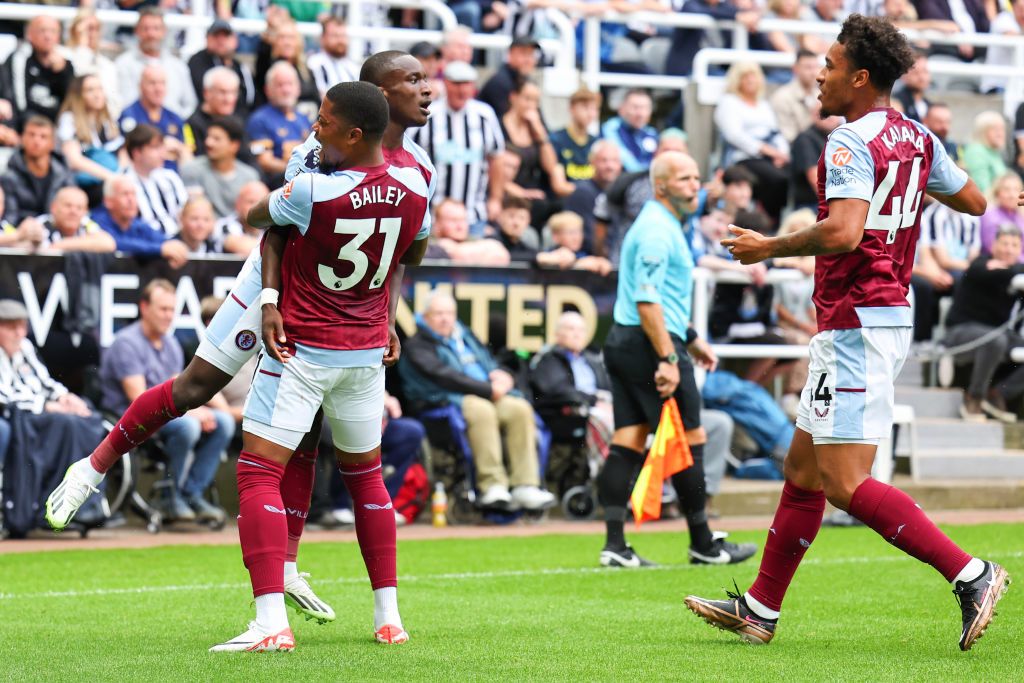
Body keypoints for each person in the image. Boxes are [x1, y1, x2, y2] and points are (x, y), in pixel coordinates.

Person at [47, 49, 436, 635]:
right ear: (378, 93)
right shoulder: (321, 150)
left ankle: (286, 565)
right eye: (412, 80)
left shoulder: (418, 167)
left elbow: (406, 254)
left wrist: (388, 312)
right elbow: (276, 233)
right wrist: (271, 300)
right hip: (274, 288)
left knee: (301, 431)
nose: (426, 90)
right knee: (198, 386)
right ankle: (92, 467)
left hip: (332, 314)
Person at [686, 15, 1005, 652]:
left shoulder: (847, 140)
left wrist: (768, 247)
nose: (818, 76)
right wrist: (907, 195)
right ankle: (760, 608)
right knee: (802, 470)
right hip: (881, 311)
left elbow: (842, 233)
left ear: (860, 78)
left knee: (844, 482)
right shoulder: (915, 135)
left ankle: (971, 574)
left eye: (828, 67)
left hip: (857, 316)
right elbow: (973, 201)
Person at [210, 80, 427, 652]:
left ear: (354, 134)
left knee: (258, 471)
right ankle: (389, 618)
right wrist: (384, 310)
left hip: (303, 350)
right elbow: (412, 251)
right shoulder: (416, 186)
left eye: (326, 122)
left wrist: (293, 187)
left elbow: (260, 216)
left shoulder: (312, 190)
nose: (314, 128)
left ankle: (269, 624)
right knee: (368, 479)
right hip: (365, 356)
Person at [597, 150, 755, 568]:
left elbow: (656, 296)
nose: (694, 185)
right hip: (650, 344)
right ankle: (703, 542)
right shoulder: (655, 230)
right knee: (691, 439)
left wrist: (691, 336)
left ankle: (615, 546)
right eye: (685, 178)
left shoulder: (664, 224)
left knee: (628, 438)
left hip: (628, 339)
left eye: (697, 176)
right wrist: (669, 356)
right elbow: (647, 301)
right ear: (661, 185)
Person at [400, 291, 557, 511]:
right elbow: (446, 376)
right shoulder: (417, 345)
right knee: (481, 409)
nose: (445, 318)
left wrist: (500, 374)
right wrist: (488, 389)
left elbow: (487, 361)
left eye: (449, 313)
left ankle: (525, 485)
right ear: (425, 317)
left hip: (487, 393)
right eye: (438, 313)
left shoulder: (464, 335)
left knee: (519, 409)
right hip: (443, 402)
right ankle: (492, 486)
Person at [97, 279, 234, 523]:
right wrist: (191, 414)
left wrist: (202, 411)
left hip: (166, 416)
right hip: (131, 421)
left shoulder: (171, 344)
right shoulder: (126, 343)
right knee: (188, 425)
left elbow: (179, 387)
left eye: (173, 310)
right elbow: (138, 399)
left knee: (222, 422)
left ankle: (191, 493)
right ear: (144, 307)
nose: (169, 316)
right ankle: (170, 496)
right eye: (163, 309)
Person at [412, 61, 504, 232]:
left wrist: (495, 199)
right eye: (456, 83)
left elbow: (496, 158)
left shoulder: (484, 115)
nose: (462, 90)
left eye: (466, 84)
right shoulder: (428, 115)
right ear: (445, 83)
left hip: (474, 213)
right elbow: (409, 160)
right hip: (432, 214)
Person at [946, 224, 1024, 422]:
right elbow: (996, 274)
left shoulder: (1016, 273)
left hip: (997, 335)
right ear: (993, 245)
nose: (1008, 249)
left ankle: (997, 395)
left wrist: (1012, 270)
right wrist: (1012, 271)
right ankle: (974, 398)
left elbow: (1010, 273)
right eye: (1004, 243)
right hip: (960, 333)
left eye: (1014, 245)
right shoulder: (979, 264)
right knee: (995, 340)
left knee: (998, 339)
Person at [714, 61, 790, 225]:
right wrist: (765, 150)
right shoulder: (729, 102)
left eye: (753, 76)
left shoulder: (763, 104)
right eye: (745, 77)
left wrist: (782, 153)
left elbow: (775, 131)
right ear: (737, 80)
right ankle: (769, 220)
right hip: (743, 156)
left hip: (770, 155)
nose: (750, 80)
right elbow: (733, 135)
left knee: (793, 173)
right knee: (777, 179)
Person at [113, 8, 196, 119]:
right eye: (145, 29)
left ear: (164, 31)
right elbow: (120, 103)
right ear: (136, 31)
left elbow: (190, 104)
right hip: (136, 130)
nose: (151, 34)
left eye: (156, 28)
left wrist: (175, 123)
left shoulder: (178, 66)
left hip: (173, 130)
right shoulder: (122, 64)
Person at [90, 175, 189, 268]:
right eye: (125, 194)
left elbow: (165, 243)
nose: (131, 200)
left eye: (133, 194)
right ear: (108, 201)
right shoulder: (96, 221)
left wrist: (175, 247)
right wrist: (160, 250)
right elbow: (115, 243)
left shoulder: (138, 225)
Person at [56, 74, 124, 207]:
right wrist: (112, 178)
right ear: (78, 96)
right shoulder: (69, 120)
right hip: (85, 184)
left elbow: (123, 151)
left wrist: (120, 174)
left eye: (99, 89)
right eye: (90, 90)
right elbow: (74, 161)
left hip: (111, 178)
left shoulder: (107, 120)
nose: (97, 95)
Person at [180, 116, 261, 219]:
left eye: (216, 139)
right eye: (208, 137)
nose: (209, 143)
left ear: (234, 146)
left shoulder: (250, 177)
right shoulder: (191, 170)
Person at [247, 61, 312, 187]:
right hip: (277, 186)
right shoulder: (259, 120)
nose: (286, 90)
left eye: (290, 84)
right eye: (280, 85)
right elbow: (265, 162)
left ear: (298, 89)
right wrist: (300, 172)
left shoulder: (304, 119)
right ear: (267, 90)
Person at [0, 115, 73, 226]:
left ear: (52, 143)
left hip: (57, 233)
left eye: (43, 137)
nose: (36, 140)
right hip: (22, 235)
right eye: (31, 135)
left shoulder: (63, 173)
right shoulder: (9, 176)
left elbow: (75, 208)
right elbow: (9, 219)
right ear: (22, 138)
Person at [0, 16, 74, 126]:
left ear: (59, 36)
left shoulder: (66, 62)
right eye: (42, 30)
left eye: (53, 31)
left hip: (58, 122)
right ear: (29, 35)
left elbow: (71, 101)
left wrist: (62, 73)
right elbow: (20, 103)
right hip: (27, 119)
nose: (47, 36)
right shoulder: (19, 59)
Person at [118, 65, 190, 171]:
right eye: (152, 83)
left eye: (162, 83)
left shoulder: (175, 117)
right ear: (141, 86)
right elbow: (127, 152)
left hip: (173, 176)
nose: (158, 89)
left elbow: (185, 150)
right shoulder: (129, 115)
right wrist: (166, 146)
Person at [123, 124, 189, 237]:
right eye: (155, 148)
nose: (162, 153)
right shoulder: (123, 183)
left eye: (162, 147)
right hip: (147, 247)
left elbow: (186, 213)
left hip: (180, 243)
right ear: (137, 153)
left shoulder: (170, 177)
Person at [188, 19, 256, 116]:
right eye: (216, 36)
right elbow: (203, 94)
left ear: (234, 40)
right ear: (207, 39)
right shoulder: (198, 62)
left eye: (226, 36)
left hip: (241, 119)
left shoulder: (240, 67)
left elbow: (252, 98)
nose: (221, 40)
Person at [564, 139, 621, 253]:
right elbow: (588, 237)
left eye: (615, 161)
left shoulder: (623, 192)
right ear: (592, 162)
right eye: (604, 161)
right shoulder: (582, 192)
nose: (610, 166)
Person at [65, 9, 120, 117]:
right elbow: (78, 83)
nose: (91, 34)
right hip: (74, 118)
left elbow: (114, 101)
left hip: (103, 121)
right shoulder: (63, 57)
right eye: (86, 29)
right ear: (74, 31)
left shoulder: (108, 65)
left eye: (95, 29)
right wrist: (82, 47)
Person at [429, 198, 510, 265]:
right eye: (453, 220)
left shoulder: (473, 240)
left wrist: (455, 250)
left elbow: (502, 256)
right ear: (437, 224)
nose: (459, 226)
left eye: (463, 220)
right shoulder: (427, 243)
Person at [36, 186, 115, 252]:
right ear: (53, 207)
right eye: (68, 205)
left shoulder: (86, 223)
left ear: (85, 212)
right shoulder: (40, 224)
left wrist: (62, 245)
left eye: (79, 208)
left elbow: (108, 243)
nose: (73, 211)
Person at [478, 36, 539, 119]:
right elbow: (507, 125)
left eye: (531, 54)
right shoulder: (500, 82)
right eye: (524, 54)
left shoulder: (528, 81)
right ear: (510, 54)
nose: (528, 60)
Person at [769, 49, 821, 144]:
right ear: (795, 69)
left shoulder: (821, 95)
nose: (813, 73)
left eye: (816, 67)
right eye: (808, 67)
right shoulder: (782, 97)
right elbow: (789, 137)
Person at [550, 88, 601, 182]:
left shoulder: (597, 142)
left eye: (594, 109)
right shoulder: (556, 139)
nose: (590, 113)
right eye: (585, 107)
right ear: (571, 109)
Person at [600, 89, 658, 174]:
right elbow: (626, 162)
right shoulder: (611, 128)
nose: (640, 113)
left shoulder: (651, 133)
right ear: (622, 109)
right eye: (635, 107)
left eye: (645, 108)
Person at [307, 17, 361, 97]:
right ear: (323, 38)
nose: (340, 40)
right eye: (335, 36)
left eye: (343, 36)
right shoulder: (314, 63)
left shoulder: (353, 67)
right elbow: (320, 94)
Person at [214, 179, 270, 255]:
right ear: (238, 203)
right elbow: (241, 246)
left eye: (261, 203)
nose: (256, 207)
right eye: (251, 202)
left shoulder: (271, 228)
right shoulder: (223, 225)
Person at [962, 112, 1009, 195]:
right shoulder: (976, 151)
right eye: (995, 129)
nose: (1000, 134)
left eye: (1002, 129)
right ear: (982, 131)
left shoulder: (993, 151)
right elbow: (982, 187)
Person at [979, 173, 1024, 257]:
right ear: (997, 193)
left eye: (1016, 190)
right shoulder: (989, 216)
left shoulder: (1020, 217)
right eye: (1006, 190)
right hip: (998, 265)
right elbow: (997, 252)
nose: (1012, 195)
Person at [893, 50, 930, 122]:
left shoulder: (929, 105)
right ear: (903, 75)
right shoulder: (896, 103)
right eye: (916, 73)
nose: (922, 77)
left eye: (925, 71)